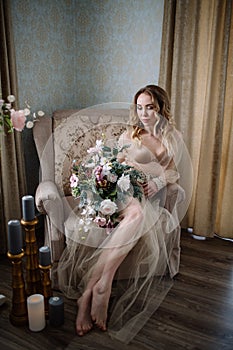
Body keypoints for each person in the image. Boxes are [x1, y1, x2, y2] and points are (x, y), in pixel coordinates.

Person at [57, 85, 192, 343]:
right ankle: (103, 289)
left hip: (140, 195)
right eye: (140, 107)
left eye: (149, 107)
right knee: (136, 214)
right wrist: (119, 174)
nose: (144, 113)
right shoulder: (132, 133)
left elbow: (173, 172)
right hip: (113, 189)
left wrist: (157, 183)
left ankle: (90, 292)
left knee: (138, 215)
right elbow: (114, 163)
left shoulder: (172, 137)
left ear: (161, 108)